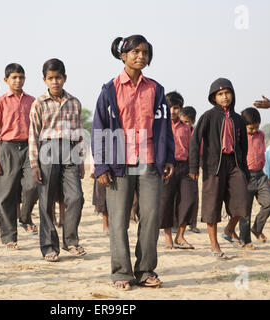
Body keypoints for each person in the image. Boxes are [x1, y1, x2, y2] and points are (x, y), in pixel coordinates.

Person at [92, 35, 175, 290]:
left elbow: (164, 126)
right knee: (118, 220)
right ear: (123, 55)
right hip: (119, 163)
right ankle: (121, 273)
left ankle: (145, 270)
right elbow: (99, 128)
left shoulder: (156, 90)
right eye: (136, 52)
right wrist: (101, 166)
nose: (141, 56)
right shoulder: (109, 90)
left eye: (145, 52)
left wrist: (168, 156)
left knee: (150, 217)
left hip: (150, 160)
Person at [29, 58, 86, 263]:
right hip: (47, 150)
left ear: (65, 78)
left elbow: (79, 132)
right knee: (46, 202)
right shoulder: (39, 104)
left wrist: (80, 160)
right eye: (51, 78)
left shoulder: (74, 102)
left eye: (58, 77)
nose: (55, 82)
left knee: (76, 197)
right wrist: (34, 164)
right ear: (44, 80)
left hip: (70, 150)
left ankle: (70, 240)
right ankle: (49, 247)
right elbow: (33, 134)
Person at [189, 78, 249, 260]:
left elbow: (244, 147)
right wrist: (194, 166)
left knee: (243, 202)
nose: (225, 97)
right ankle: (214, 245)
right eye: (220, 94)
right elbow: (195, 141)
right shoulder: (208, 116)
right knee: (212, 205)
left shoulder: (238, 119)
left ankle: (230, 229)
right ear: (213, 97)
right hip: (213, 166)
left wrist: (245, 170)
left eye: (227, 93)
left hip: (234, 164)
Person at [0, 63, 39, 250]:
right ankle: (9, 237)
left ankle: (25, 217)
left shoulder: (32, 100)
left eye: (21, 77)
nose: (18, 81)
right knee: (5, 195)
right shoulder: (1, 101)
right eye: (14, 77)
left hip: (28, 147)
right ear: (6, 80)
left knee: (32, 185)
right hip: (7, 148)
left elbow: (37, 127)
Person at [159, 91, 196, 250]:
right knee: (166, 202)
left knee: (189, 200)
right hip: (167, 167)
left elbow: (192, 149)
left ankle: (180, 235)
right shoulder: (159, 125)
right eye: (170, 107)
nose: (173, 111)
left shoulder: (186, 128)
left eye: (176, 108)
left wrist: (193, 167)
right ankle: (168, 237)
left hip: (184, 167)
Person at [237, 107, 270, 249]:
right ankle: (245, 241)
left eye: (256, 127)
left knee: (269, 202)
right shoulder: (239, 136)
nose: (254, 130)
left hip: (260, 175)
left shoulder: (261, 135)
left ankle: (257, 229)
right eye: (251, 128)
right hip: (245, 176)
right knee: (245, 211)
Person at [179, 106, 200, 233]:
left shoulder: (196, 133)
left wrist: (196, 167)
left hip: (192, 167)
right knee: (178, 196)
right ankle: (177, 223)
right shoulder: (178, 131)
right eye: (183, 121)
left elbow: (200, 150)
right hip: (178, 166)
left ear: (193, 121)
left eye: (187, 122)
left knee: (193, 196)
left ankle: (193, 223)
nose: (185, 124)